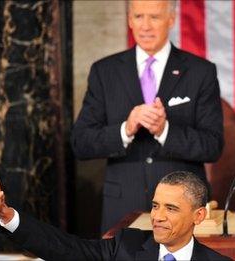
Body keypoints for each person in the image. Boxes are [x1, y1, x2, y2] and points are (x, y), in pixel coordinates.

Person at [71, 0, 223, 233]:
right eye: (139, 17)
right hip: (122, 207)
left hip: (181, 208)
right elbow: (81, 143)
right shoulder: (105, 71)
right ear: (130, 20)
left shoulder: (200, 71)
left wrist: (165, 131)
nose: (146, 26)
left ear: (171, 19)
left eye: (155, 17)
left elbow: (212, 146)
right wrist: (125, 129)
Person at [0, 160, 231, 261]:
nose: (158, 216)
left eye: (171, 209)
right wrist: (6, 214)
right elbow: (64, 248)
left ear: (199, 215)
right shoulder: (127, 246)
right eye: (155, 205)